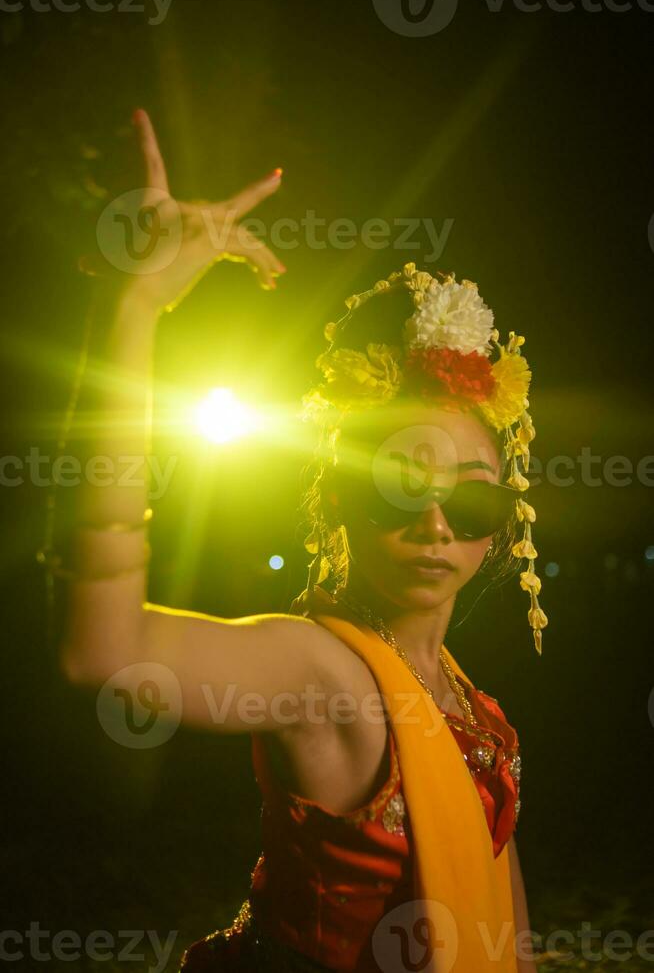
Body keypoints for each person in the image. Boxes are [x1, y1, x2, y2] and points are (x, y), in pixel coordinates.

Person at [51, 109, 545, 973]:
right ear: (342, 499)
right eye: (402, 485)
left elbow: (504, 909)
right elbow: (106, 650)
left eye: (470, 502)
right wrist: (132, 308)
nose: (436, 525)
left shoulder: (468, 704)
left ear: (503, 526)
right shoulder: (321, 673)